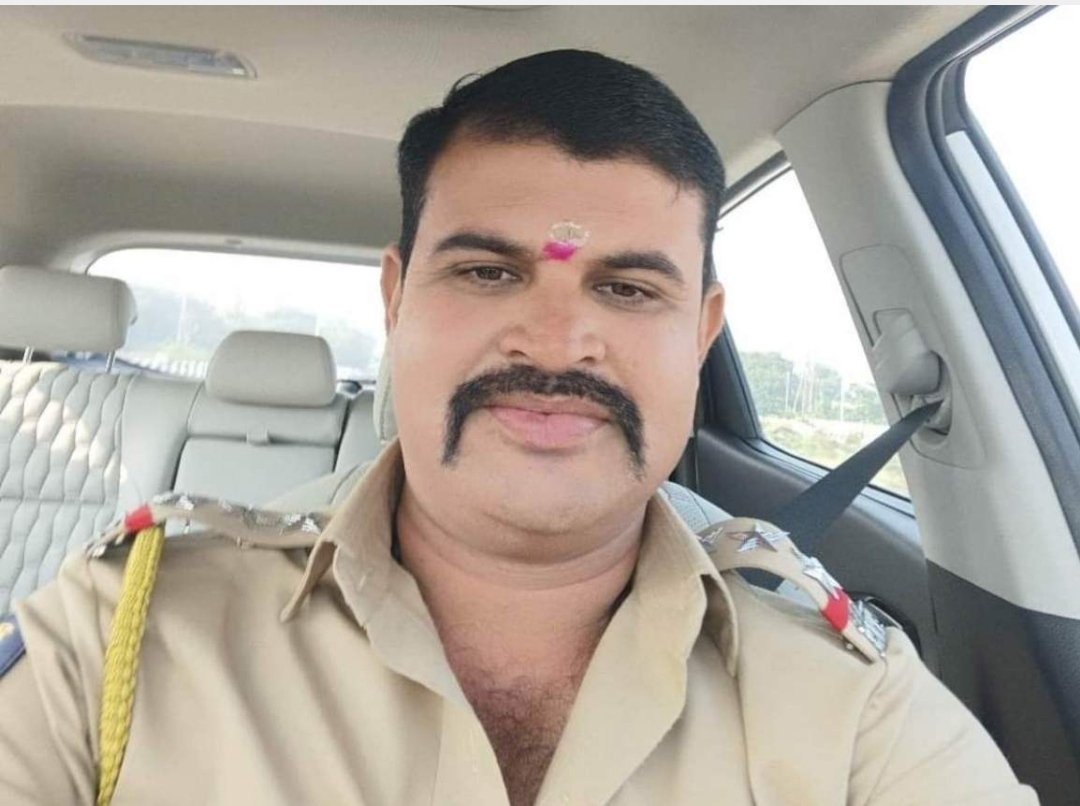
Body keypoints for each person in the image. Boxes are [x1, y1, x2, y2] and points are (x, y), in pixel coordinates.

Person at [0, 50, 1037, 806]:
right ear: (396, 301)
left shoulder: (854, 710)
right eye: (489, 271)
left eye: (628, 288)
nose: (557, 339)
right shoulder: (117, 636)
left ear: (700, 332)